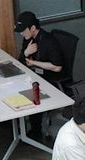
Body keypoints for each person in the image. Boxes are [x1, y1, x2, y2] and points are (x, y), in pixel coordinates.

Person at [15, 11, 65, 141]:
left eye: (23, 30)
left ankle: (35, 131)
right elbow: (20, 61)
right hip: (34, 74)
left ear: (32, 28)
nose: (21, 34)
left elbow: (57, 67)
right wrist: (25, 53)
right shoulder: (28, 39)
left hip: (50, 78)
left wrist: (34, 63)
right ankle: (15, 125)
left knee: (32, 91)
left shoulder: (49, 41)